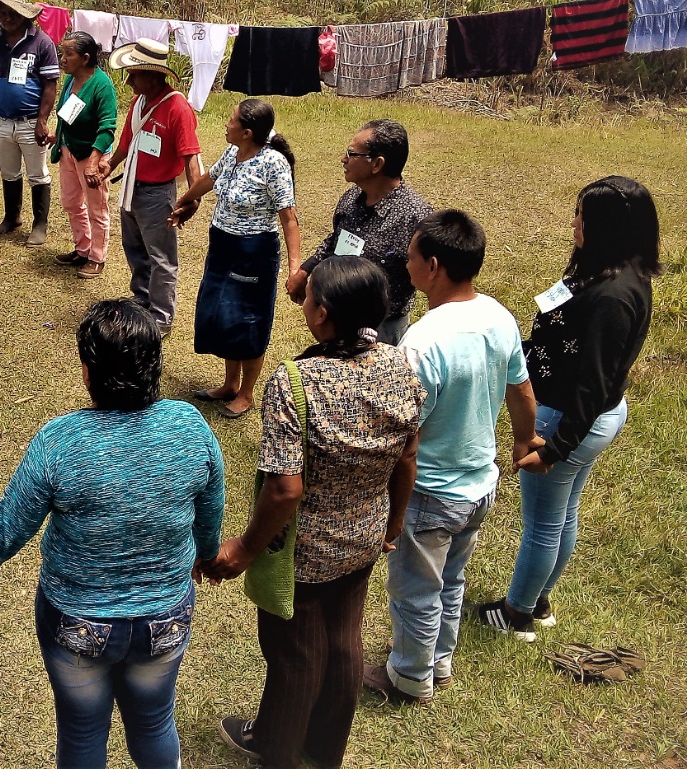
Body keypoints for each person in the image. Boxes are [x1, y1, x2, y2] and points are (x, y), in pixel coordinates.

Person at [0, 299, 226, 769]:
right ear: (156, 364)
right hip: (166, 617)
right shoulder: (190, 426)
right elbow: (210, 509)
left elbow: (4, 535)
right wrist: (205, 555)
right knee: (155, 721)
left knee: (82, 732)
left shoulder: (59, 441)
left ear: (87, 370)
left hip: (77, 624)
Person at [204, 256, 424, 769]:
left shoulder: (295, 383)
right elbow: (407, 455)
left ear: (322, 313)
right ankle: (324, 751)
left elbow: (284, 491)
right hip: (366, 536)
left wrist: (242, 548)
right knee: (345, 642)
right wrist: (392, 525)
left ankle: (276, 750)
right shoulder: (400, 365)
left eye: (308, 296)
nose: (302, 302)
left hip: (303, 551)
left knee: (294, 652)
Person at [361, 210, 539, 705]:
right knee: (451, 579)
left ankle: (411, 677)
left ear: (433, 265)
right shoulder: (499, 316)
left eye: (412, 257)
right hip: (480, 484)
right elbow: (522, 391)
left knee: (415, 590)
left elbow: (404, 431)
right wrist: (523, 442)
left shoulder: (424, 340)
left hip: (431, 492)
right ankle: (439, 660)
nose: (407, 264)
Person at [476, 176, 661, 640]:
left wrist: (555, 447)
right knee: (563, 512)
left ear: (609, 227)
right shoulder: (603, 269)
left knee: (541, 524)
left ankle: (517, 614)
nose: (574, 222)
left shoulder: (614, 297)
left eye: (584, 216)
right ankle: (538, 601)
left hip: (568, 418)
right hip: (582, 417)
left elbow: (592, 385)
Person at [170, 98, 302, 419]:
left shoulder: (273, 165)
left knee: (250, 321)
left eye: (231, 121)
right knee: (224, 316)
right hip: (222, 248)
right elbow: (209, 179)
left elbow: (289, 219)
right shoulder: (233, 152)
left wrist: (295, 268)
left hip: (253, 254)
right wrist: (185, 200)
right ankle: (230, 385)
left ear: (246, 132)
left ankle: (247, 393)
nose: (225, 124)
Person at [294, 120, 432, 345]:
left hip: (383, 331)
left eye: (352, 153)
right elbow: (335, 239)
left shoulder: (415, 217)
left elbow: (431, 276)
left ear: (377, 164)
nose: (343, 159)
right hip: (337, 319)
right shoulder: (351, 199)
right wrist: (305, 270)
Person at [101, 37, 202, 333]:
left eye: (135, 74)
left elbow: (191, 155)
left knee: (161, 257)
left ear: (152, 75)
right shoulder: (138, 102)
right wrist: (109, 165)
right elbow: (126, 143)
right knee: (134, 248)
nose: (129, 81)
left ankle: (161, 316)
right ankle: (142, 299)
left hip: (158, 194)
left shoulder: (177, 108)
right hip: (133, 186)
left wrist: (192, 197)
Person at [0, 0, 61, 246]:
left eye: (12, 13)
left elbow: (50, 84)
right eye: (2, 12)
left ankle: (40, 224)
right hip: (1, 120)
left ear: (24, 15)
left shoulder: (41, 42)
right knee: (9, 171)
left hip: (31, 121)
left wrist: (42, 121)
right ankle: (12, 218)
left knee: (38, 174)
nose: (6, 17)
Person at [50, 31, 117, 278]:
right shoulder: (70, 80)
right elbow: (66, 113)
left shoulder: (102, 86)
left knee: (96, 208)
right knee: (71, 202)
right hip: (69, 149)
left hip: (91, 156)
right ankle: (82, 248)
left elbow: (108, 127)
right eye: (62, 53)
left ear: (86, 58)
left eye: (69, 54)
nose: (63, 58)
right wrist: (57, 138)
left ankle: (97, 258)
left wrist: (94, 161)